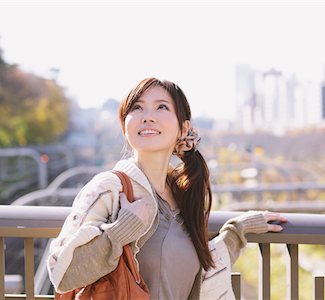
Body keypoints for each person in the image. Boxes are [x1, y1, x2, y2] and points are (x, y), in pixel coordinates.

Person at [47, 77, 287, 299]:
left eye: (161, 107)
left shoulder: (182, 197)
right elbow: (63, 275)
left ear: (183, 129)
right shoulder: (110, 189)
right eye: (137, 108)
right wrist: (122, 231)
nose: (147, 116)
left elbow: (201, 272)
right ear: (125, 126)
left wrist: (239, 229)